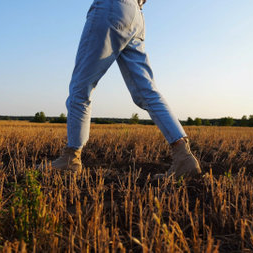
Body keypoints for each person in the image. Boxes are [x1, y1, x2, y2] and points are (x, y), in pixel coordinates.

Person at [50, 0, 201, 179]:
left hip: (110, 8)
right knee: (147, 91)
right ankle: (183, 155)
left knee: (80, 87)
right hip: (136, 14)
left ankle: (71, 158)